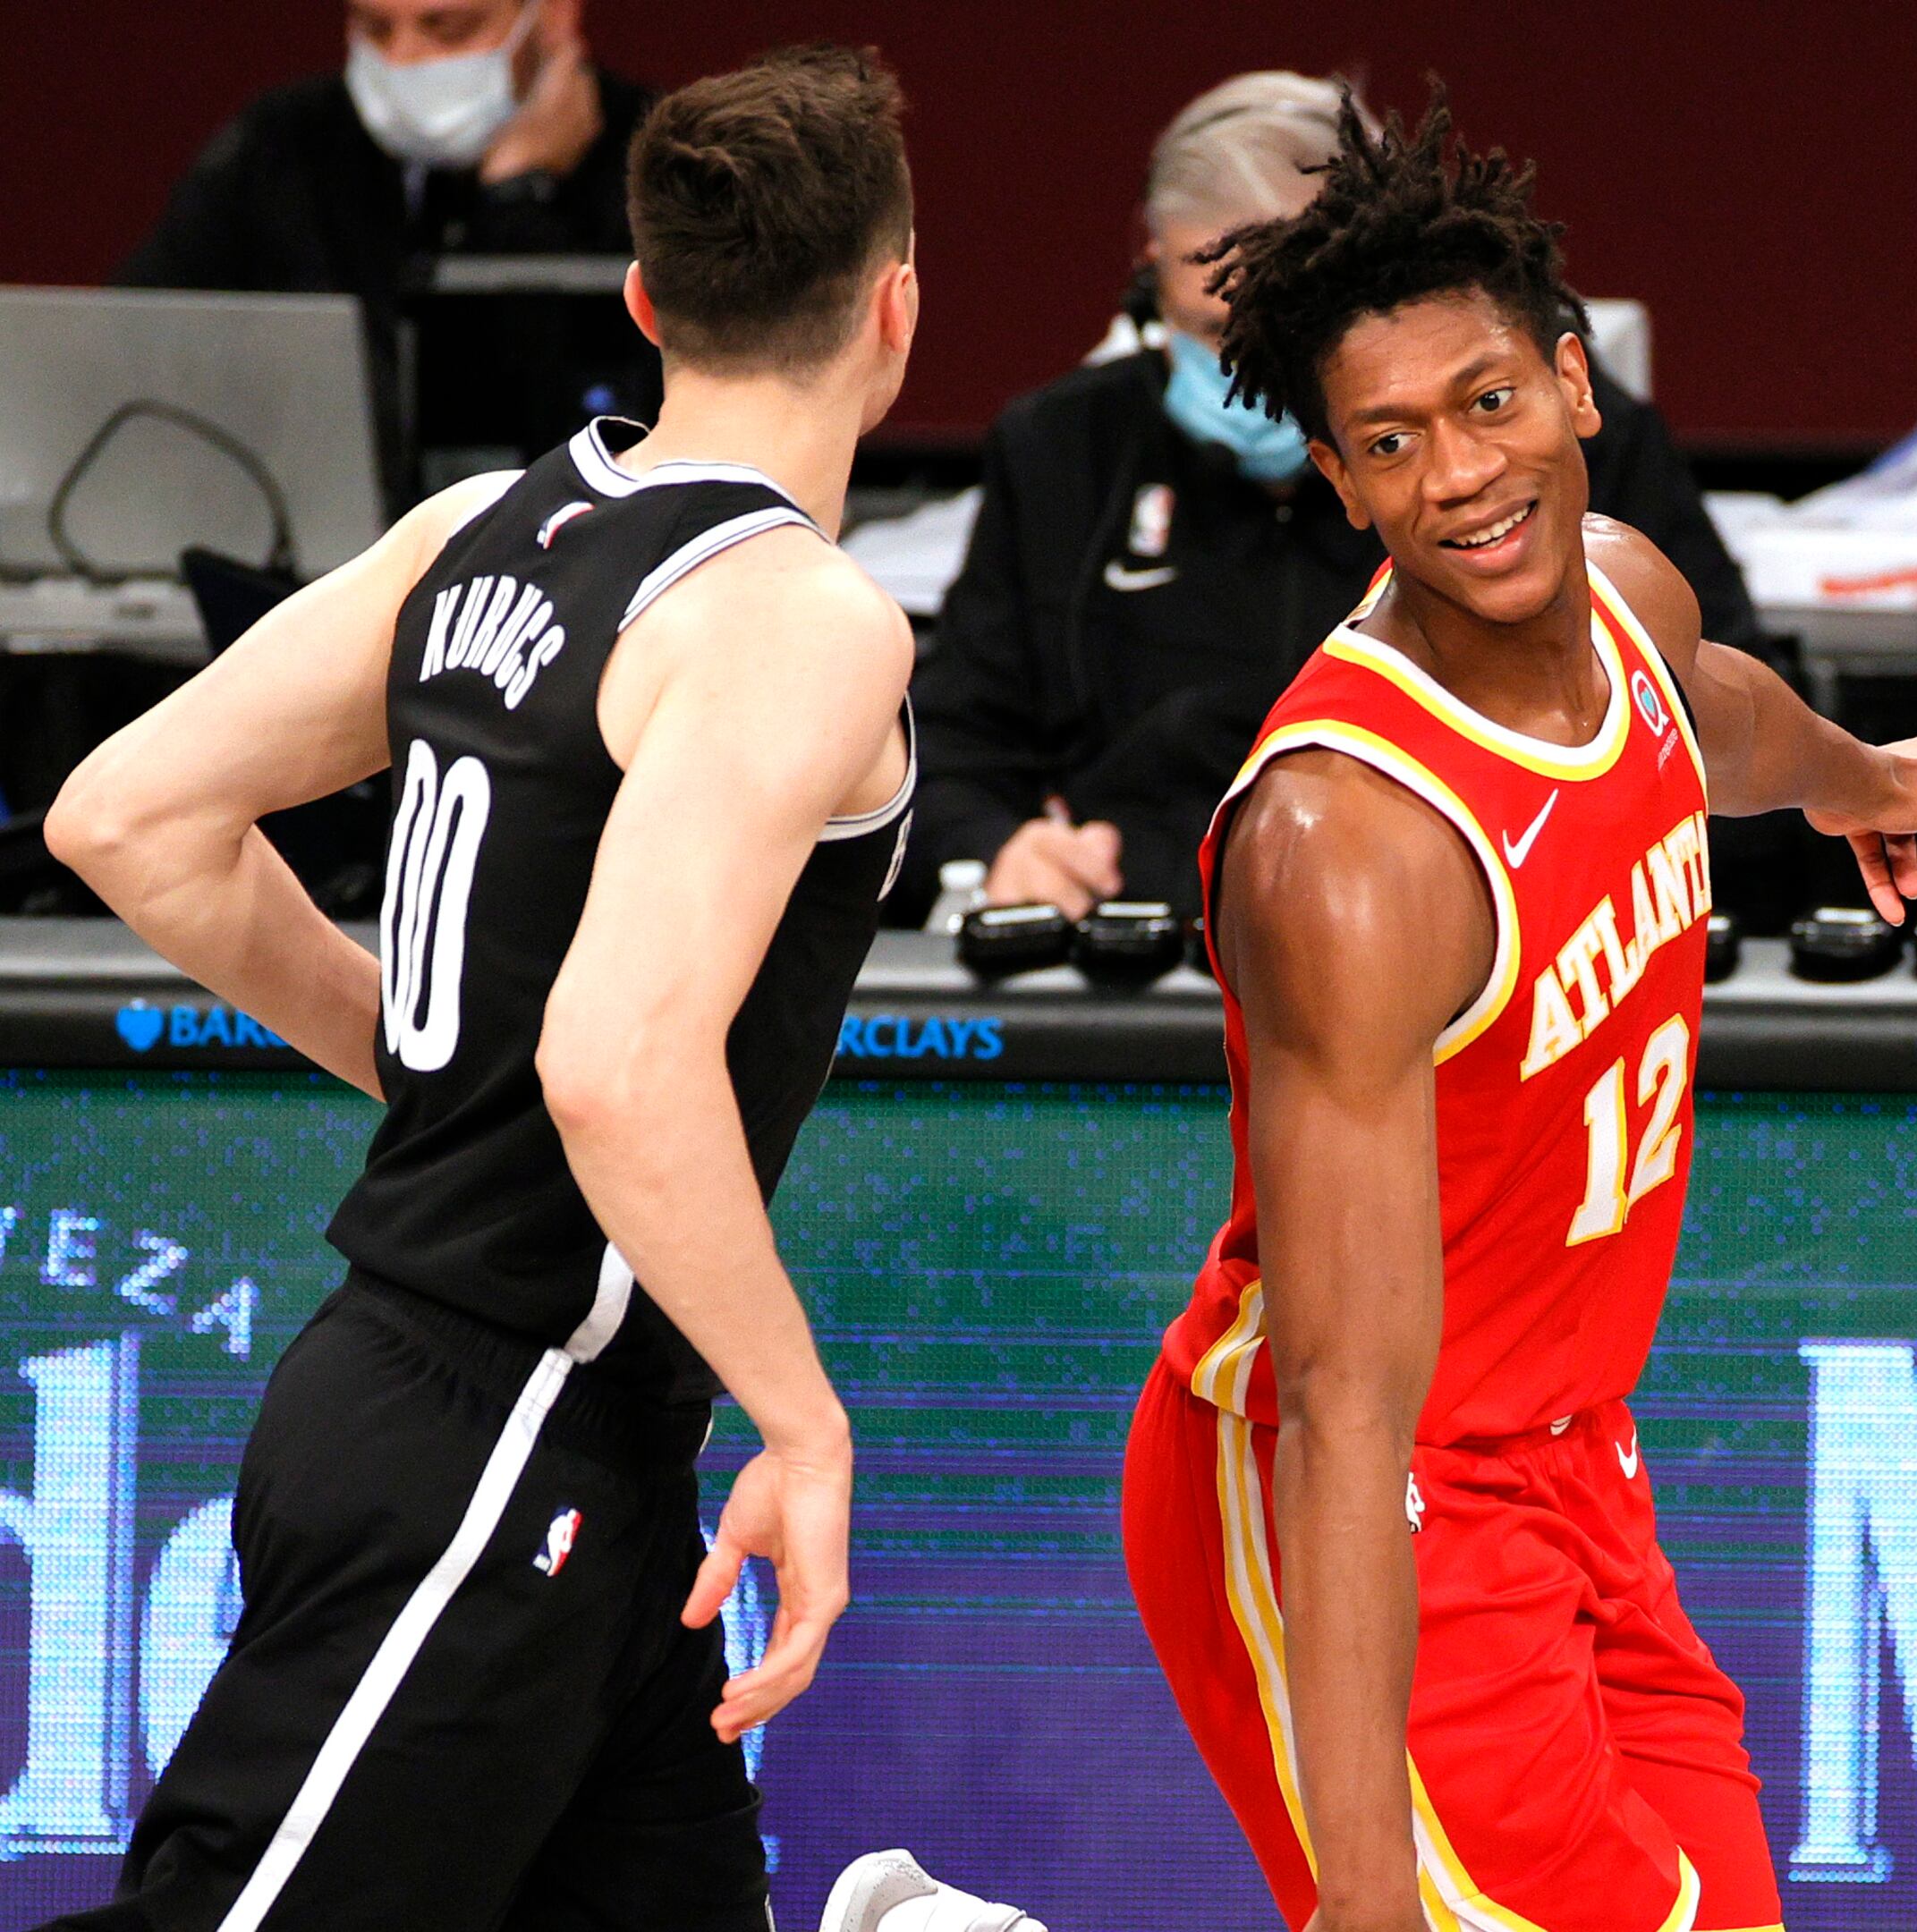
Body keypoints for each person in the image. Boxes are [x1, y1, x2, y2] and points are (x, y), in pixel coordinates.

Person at [1115, 91, 1917, 1932]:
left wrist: (1869, 783)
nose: (1461, 474)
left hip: (1568, 1465)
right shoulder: (1349, 850)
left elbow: (1717, 716)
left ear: (1573, 384)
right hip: (1362, 1501)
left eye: (1488, 403)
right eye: (1393, 442)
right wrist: (1367, 1892)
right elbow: (1347, 1404)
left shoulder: (1624, 592)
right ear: (1343, 485)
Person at [42, 46, 949, 1931]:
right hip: (503, 1421)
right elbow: (615, 1065)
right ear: (896, 312)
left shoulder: (479, 528)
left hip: (520, 1434)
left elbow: (128, 817)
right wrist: (806, 1422)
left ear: (645, 303)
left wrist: (423, 1063)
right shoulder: (802, 617)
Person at [908, 70, 1764, 923]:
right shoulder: (1060, 449)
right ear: (1151, 269)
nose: (1257, 381)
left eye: (1293, 343)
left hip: (1505, 932)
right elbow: (947, 747)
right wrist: (998, 849)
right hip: (1139, 942)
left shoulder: (1556, 447)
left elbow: (1735, 730)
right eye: (1215, 334)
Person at [123, 0, 653, 445]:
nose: (403, 58)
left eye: (447, 28)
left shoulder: (656, 164)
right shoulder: (283, 146)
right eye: (375, 28)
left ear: (555, 14)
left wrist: (518, 196)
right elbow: (134, 348)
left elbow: (548, 412)